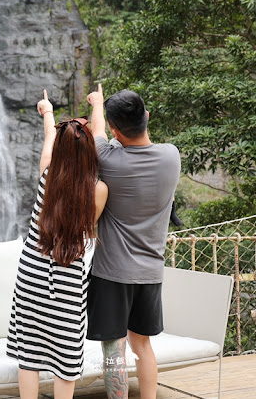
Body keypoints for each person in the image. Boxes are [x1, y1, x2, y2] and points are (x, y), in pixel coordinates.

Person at [7, 90, 108, 399]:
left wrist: (48, 111)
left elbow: (51, 139)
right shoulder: (98, 190)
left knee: (30, 356)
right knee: (65, 360)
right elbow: (100, 136)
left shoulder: (47, 175)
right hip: (67, 280)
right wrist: (98, 105)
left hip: (32, 274)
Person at [86, 84, 181, 399]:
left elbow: (97, 132)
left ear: (115, 129)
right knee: (143, 344)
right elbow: (109, 134)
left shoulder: (108, 159)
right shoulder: (171, 156)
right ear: (147, 116)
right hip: (151, 272)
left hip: (112, 273)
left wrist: (97, 103)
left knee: (114, 348)